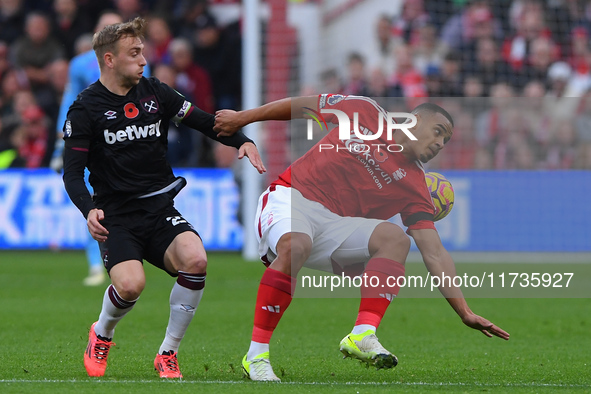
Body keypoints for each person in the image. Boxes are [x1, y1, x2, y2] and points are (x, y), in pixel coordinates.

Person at [214, 94, 510, 382]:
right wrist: (242, 118)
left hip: (333, 228)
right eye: (437, 132)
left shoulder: (415, 185)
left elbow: (434, 253)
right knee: (297, 244)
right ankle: (257, 356)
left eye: (445, 141)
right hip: (292, 198)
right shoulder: (364, 111)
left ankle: (363, 333)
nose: (439, 144)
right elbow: (301, 106)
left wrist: (465, 311)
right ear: (414, 120)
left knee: (396, 240)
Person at [61, 17, 265, 379]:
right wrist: (88, 209)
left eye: (143, 52)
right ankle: (101, 333)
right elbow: (73, 173)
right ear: (109, 60)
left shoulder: (156, 93)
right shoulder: (85, 109)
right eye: (134, 53)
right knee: (130, 285)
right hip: (118, 216)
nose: (144, 60)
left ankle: (167, 353)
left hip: (159, 210)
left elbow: (204, 121)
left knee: (196, 259)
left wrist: (242, 140)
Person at [51, 11, 148, 287]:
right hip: (94, 142)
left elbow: (147, 98)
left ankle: (133, 258)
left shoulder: (137, 61)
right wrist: (63, 138)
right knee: (94, 204)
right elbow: (71, 100)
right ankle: (97, 263)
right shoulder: (80, 65)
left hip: (127, 140)